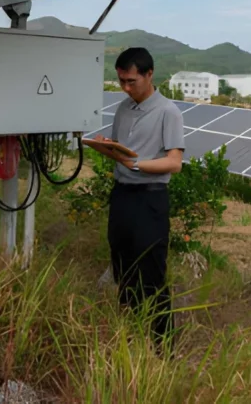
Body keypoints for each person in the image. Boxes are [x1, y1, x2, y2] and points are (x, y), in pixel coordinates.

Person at [88, 47, 185, 348]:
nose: (126, 88)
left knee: (151, 273)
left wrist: (137, 163)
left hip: (150, 200)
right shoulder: (123, 109)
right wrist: (102, 145)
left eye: (132, 81)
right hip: (123, 197)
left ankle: (162, 347)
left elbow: (174, 163)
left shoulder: (168, 112)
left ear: (149, 74)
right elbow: (120, 153)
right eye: (121, 82)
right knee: (123, 267)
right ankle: (129, 336)